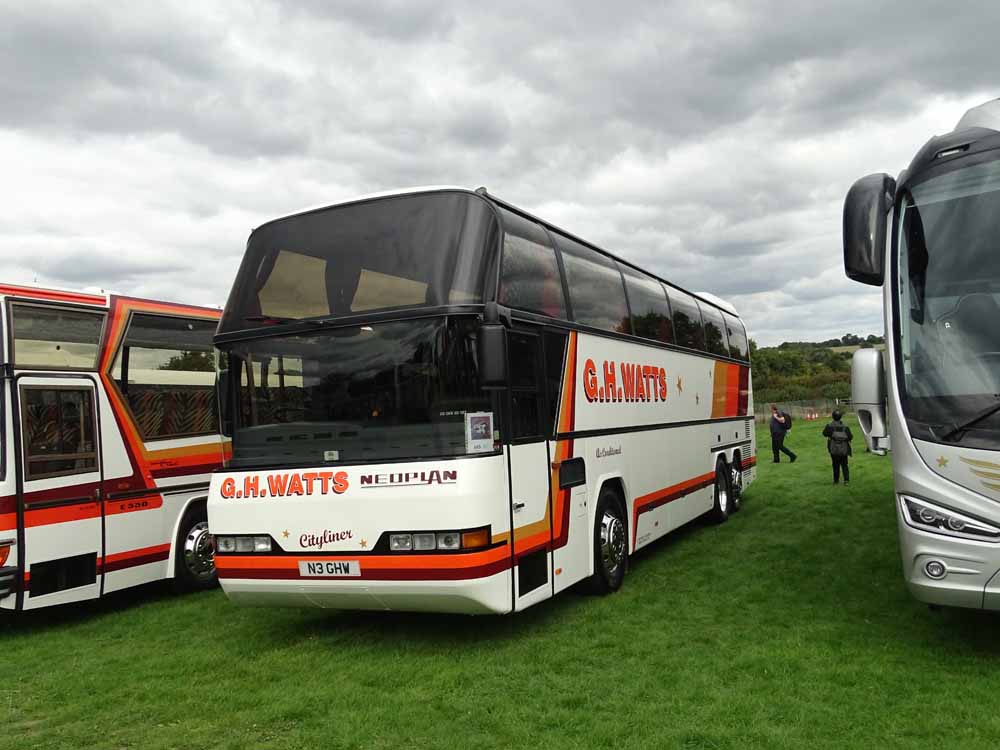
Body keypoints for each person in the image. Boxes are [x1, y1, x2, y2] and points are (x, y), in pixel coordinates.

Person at [822, 409, 854, 484]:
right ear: (841, 417)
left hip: (833, 449)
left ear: (833, 417)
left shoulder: (829, 426)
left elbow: (824, 434)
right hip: (844, 449)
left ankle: (836, 481)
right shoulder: (845, 426)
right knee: (844, 465)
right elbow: (850, 437)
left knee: (835, 465)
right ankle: (846, 480)